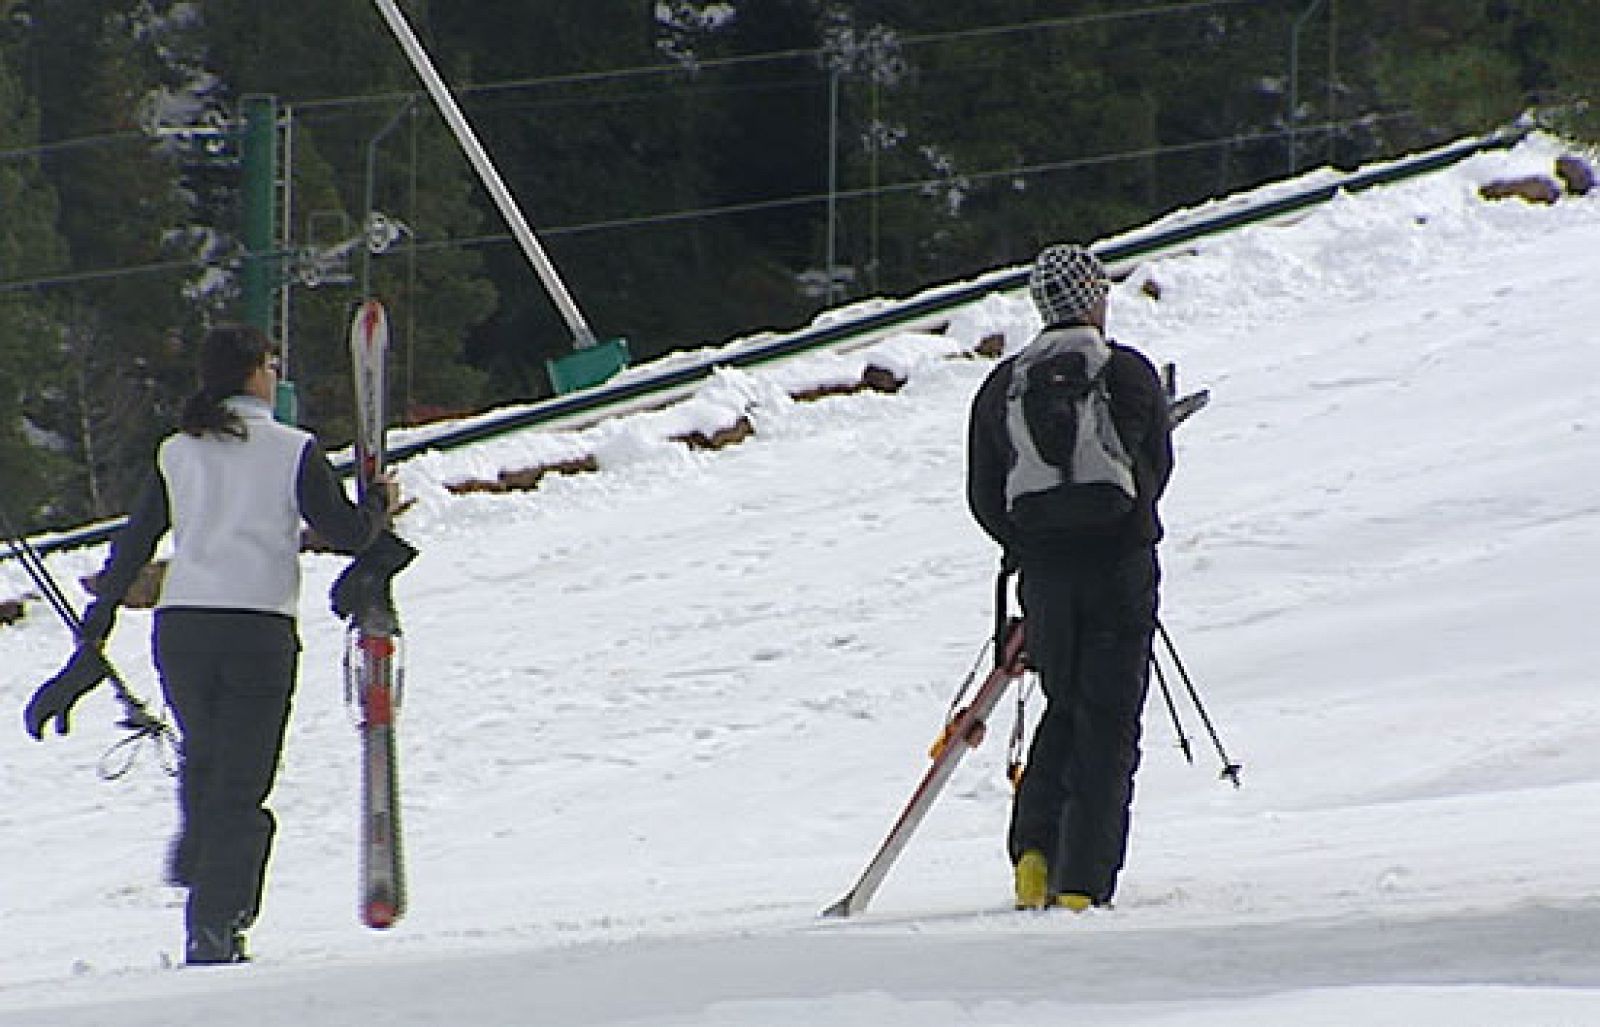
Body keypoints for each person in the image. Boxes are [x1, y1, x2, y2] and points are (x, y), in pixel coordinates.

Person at [24, 324, 393, 964]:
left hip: (184, 629)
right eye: (272, 366)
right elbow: (346, 534)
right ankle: (216, 924)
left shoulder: (177, 451)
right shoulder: (291, 448)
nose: (275, 377)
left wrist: (94, 637)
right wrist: (377, 509)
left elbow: (134, 544)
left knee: (209, 757)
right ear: (254, 373)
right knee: (242, 784)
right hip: (258, 627)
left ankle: (201, 862)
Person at [966, 243, 1174, 911]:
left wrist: (1030, 545)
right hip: (1120, 570)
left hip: (1046, 579)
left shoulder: (1004, 386)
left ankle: (1034, 857)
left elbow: (984, 496)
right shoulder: (1128, 372)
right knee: (1108, 723)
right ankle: (1084, 884)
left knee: (1063, 707)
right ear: (1092, 298)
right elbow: (1156, 474)